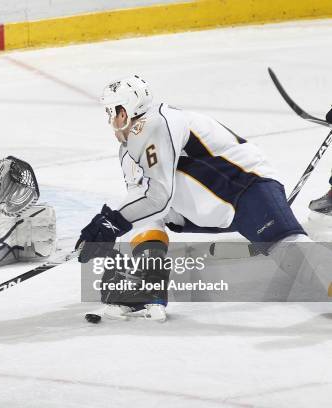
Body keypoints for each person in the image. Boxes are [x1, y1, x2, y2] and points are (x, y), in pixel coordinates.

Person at [76, 74, 329, 322]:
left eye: (112, 111)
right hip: (210, 204)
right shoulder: (129, 148)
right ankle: (150, 280)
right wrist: (110, 223)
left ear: (125, 112)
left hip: (247, 188)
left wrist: (111, 223)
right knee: (142, 205)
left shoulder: (157, 122)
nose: (110, 120)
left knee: (296, 257)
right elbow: (142, 201)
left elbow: (159, 198)